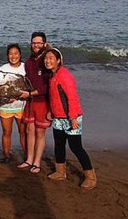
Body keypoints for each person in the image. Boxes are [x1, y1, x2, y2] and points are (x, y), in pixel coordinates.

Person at [44, 48, 96, 190]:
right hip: (58, 118)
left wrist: (73, 118)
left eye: (51, 58)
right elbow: (54, 98)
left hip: (71, 117)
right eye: (46, 58)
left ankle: (90, 177)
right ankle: (60, 172)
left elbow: (72, 98)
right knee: (59, 144)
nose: (47, 61)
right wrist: (50, 112)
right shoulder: (52, 75)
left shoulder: (64, 75)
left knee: (76, 147)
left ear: (58, 61)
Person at [17, 32, 51, 174]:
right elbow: (27, 81)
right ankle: (29, 159)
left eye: (39, 43)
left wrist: (30, 94)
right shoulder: (30, 61)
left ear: (44, 44)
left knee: (40, 132)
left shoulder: (47, 60)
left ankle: (37, 162)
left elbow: (47, 86)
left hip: (42, 101)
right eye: (33, 43)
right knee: (29, 130)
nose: (36, 45)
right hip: (30, 102)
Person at [0, 44, 27, 163]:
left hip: (22, 106)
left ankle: (27, 155)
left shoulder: (26, 68)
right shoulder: (3, 69)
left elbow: (29, 87)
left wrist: (18, 96)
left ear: (20, 55)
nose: (13, 56)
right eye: (10, 54)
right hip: (6, 106)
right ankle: (6, 155)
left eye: (16, 53)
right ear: (7, 55)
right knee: (6, 132)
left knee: (23, 132)